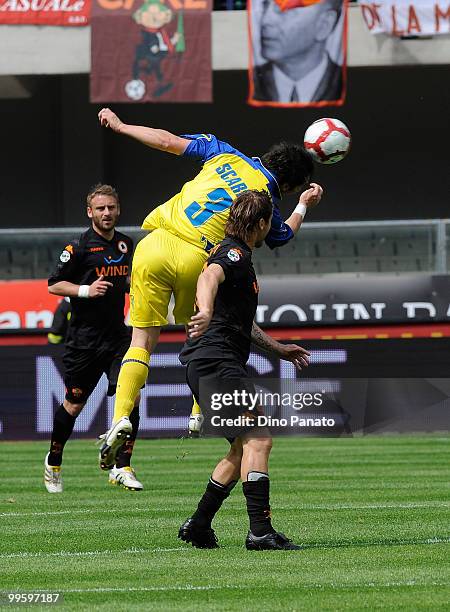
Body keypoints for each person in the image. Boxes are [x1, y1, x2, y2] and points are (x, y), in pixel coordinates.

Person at [97, 107, 322, 466]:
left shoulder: (224, 152)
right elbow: (281, 237)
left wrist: (122, 127)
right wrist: (304, 206)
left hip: (155, 244)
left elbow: (167, 140)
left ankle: (120, 416)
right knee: (206, 332)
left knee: (141, 341)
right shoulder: (265, 201)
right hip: (198, 259)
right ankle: (198, 412)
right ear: (290, 185)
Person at [178, 190, 310, 550]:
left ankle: (199, 524)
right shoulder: (233, 254)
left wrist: (280, 349)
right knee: (259, 439)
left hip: (211, 360)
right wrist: (203, 310)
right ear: (263, 224)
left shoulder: (239, 256)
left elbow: (244, 325)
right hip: (217, 361)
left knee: (241, 449)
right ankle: (260, 531)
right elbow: (209, 278)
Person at [44, 184, 143, 493]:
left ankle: (121, 467)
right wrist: (86, 290)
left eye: (111, 207)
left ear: (118, 209)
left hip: (116, 338)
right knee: (74, 404)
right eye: (100, 208)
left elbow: (129, 282)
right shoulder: (79, 247)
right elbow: (54, 285)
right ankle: (54, 461)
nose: (107, 213)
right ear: (90, 212)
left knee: (131, 399)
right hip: (83, 342)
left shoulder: (127, 244)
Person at [252, 0, 344, 104]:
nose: (265, 21)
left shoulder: (347, 84)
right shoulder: (249, 82)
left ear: (324, 24)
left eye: (285, 9)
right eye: (265, 5)